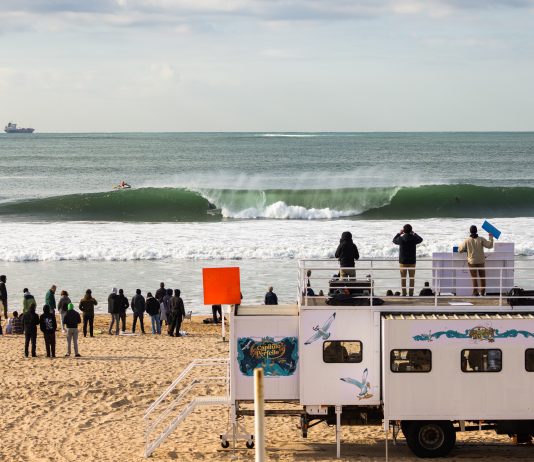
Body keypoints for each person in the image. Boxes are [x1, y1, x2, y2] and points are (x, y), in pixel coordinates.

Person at [458, 225, 494, 296]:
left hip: (472, 262)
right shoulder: (481, 239)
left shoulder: (467, 240)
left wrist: (464, 248)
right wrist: (491, 237)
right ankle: (483, 292)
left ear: (470, 231)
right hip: (481, 261)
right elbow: (490, 245)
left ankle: (475, 292)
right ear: (476, 231)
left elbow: (460, 250)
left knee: (474, 277)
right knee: (482, 277)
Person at [393, 224, 423, 296]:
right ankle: (411, 293)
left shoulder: (401, 238)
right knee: (412, 278)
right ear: (411, 230)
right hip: (412, 261)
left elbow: (394, 240)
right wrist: (414, 233)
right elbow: (421, 239)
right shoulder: (413, 238)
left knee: (403, 278)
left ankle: (404, 293)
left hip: (403, 262)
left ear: (404, 230)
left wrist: (399, 233)